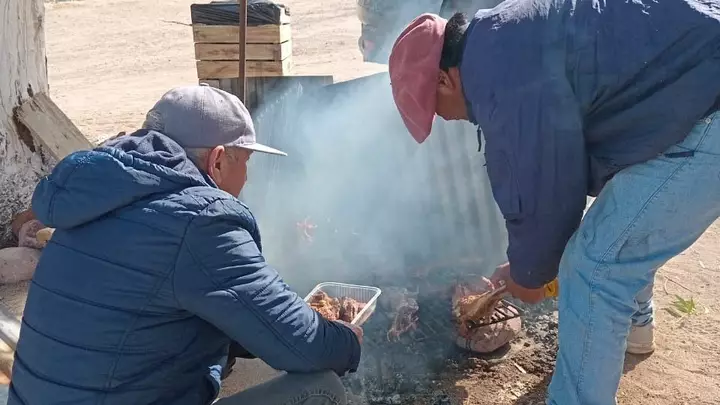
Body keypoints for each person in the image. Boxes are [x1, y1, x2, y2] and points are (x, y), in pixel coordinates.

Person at [387, 2, 720, 405]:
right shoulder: (500, 37)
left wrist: (531, 275)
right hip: (689, 84)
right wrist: (527, 267)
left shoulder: (501, 76)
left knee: (596, 268)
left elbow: (545, 186)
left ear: (443, 79)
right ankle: (635, 327)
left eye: (437, 111)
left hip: (708, 105)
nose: (447, 119)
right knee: (618, 223)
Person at [8, 84, 362, 405]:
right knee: (321, 387)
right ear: (218, 160)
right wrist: (345, 340)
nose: (248, 177)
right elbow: (308, 348)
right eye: (245, 162)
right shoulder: (202, 220)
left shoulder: (95, 196)